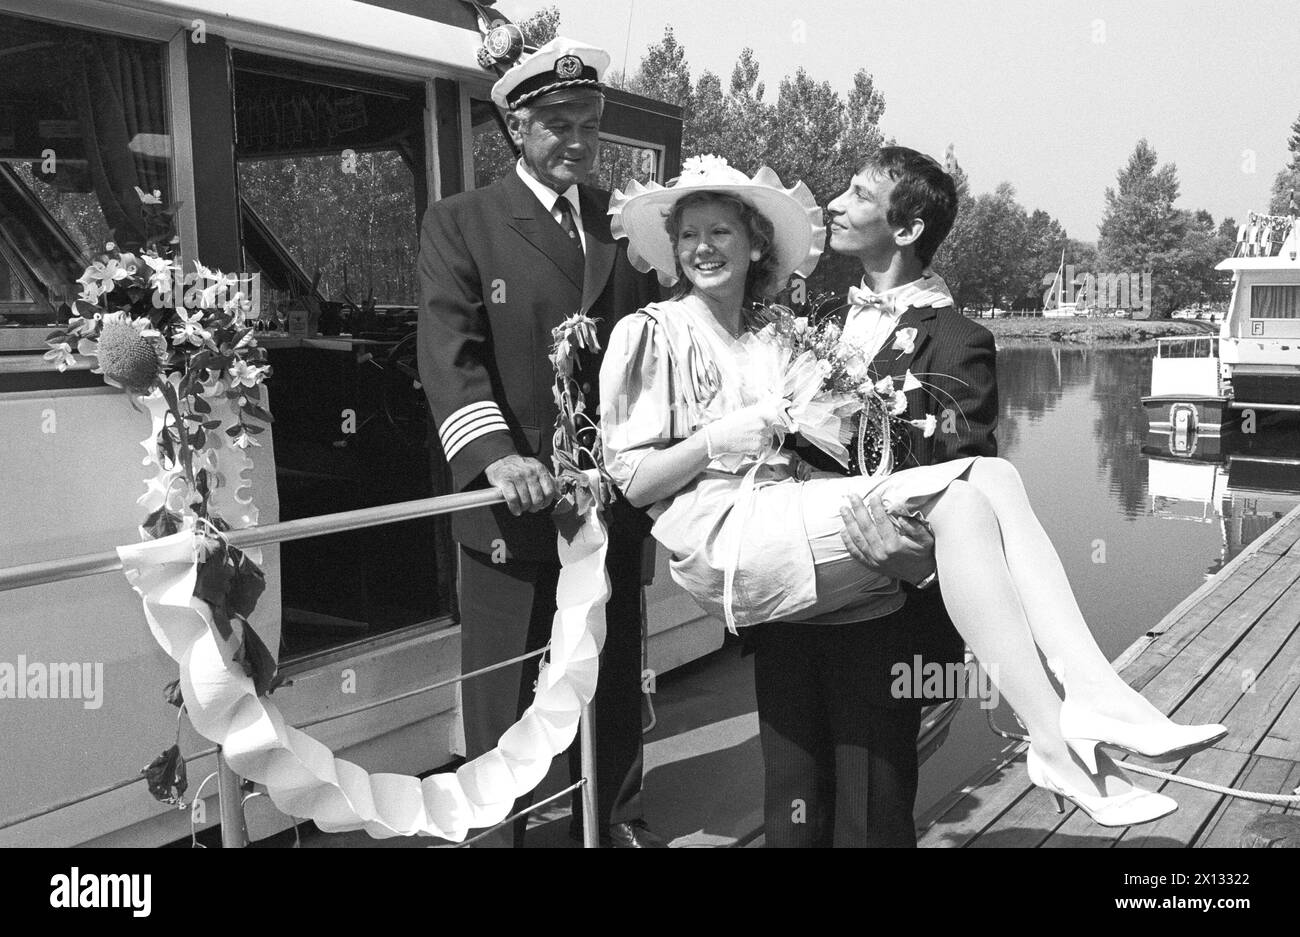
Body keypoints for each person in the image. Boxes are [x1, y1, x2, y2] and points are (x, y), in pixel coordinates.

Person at [599, 155, 1228, 837]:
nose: (702, 248)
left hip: (869, 598)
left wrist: (913, 560)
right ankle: (1063, 729)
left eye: (720, 231)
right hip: (761, 566)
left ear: (753, 243)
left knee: (992, 479)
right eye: (690, 234)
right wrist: (726, 436)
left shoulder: (889, 337)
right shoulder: (773, 325)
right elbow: (634, 474)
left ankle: (1084, 704)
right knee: (795, 814)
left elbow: (925, 460)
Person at [417, 37, 664, 848]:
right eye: (557, 123)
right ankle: (500, 830)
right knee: (505, 682)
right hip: (512, 509)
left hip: (610, 505)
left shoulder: (623, 229)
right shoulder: (462, 223)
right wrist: (499, 459)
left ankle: (613, 816)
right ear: (515, 128)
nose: (578, 142)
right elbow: (449, 357)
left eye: (589, 124)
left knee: (610, 669)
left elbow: (656, 351)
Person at [754, 146, 1002, 847]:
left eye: (859, 195)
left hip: (883, 624)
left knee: (870, 820)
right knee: (789, 812)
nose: (835, 203)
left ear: (906, 228)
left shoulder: (957, 342)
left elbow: (965, 491)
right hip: (790, 606)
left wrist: (918, 562)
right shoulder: (820, 322)